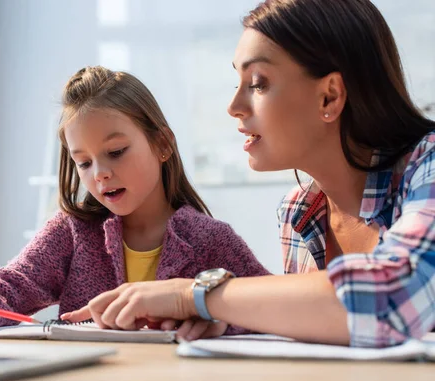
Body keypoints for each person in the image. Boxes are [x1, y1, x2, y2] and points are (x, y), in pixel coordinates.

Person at [62, 0, 435, 348]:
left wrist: (192, 295)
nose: (233, 106)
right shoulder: (300, 213)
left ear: (329, 97)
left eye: (257, 83)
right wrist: (225, 315)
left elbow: (392, 302)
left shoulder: (428, 165)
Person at [0, 66, 271, 338]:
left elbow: (274, 310)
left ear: (162, 144)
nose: (100, 174)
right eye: (83, 163)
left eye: (116, 152)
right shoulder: (71, 232)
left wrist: (221, 320)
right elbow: (8, 287)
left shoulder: (212, 240)